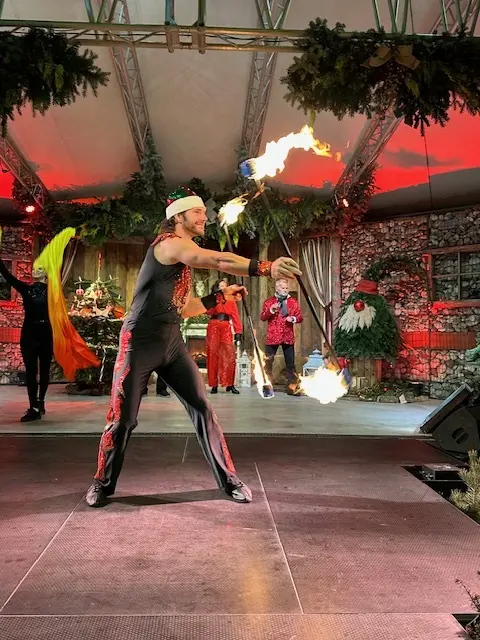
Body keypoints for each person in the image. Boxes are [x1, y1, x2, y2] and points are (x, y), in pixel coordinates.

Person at [86, 186, 301, 508]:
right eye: (198, 211)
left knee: (203, 408)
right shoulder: (169, 245)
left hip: (171, 343)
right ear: (178, 216)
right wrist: (265, 267)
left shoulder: (180, 259)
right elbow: (217, 259)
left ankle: (229, 480)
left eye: (203, 211)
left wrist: (219, 298)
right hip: (139, 342)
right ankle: (102, 484)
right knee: (123, 419)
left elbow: (184, 309)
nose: (204, 217)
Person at [0, 227, 99, 421]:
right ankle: (33, 407)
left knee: (44, 369)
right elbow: (8, 276)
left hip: (46, 332)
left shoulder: (53, 291)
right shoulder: (26, 289)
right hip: (29, 333)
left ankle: (40, 401)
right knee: (31, 370)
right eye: (34, 268)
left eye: (39, 268)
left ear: (46, 272)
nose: (34, 270)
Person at [261, 278, 304, 394]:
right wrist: (271, 310)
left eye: (286, 288)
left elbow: (300, 317)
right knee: (268, 362)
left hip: (287, 336)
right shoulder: (269, 302)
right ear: (277, 288)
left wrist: (293, 318)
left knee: (290, 363)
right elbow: (263, 317)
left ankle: (292, 387)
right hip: (273, 336)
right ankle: (267, 386)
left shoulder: (293, 302)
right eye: (282, 288)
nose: (285, 290)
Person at [206, 278, 242, 395]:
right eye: (221, 286)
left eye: (225, 286)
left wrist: (238, 331)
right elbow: (207, 311)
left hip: (226, 326)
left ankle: (230, 384)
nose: (223, 288)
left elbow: (235, 315)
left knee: (230, 355)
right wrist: (215, 300)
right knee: (213, 354)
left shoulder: (231, 300)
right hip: (213, 326)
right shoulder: (213, 299)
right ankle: (214, 384)